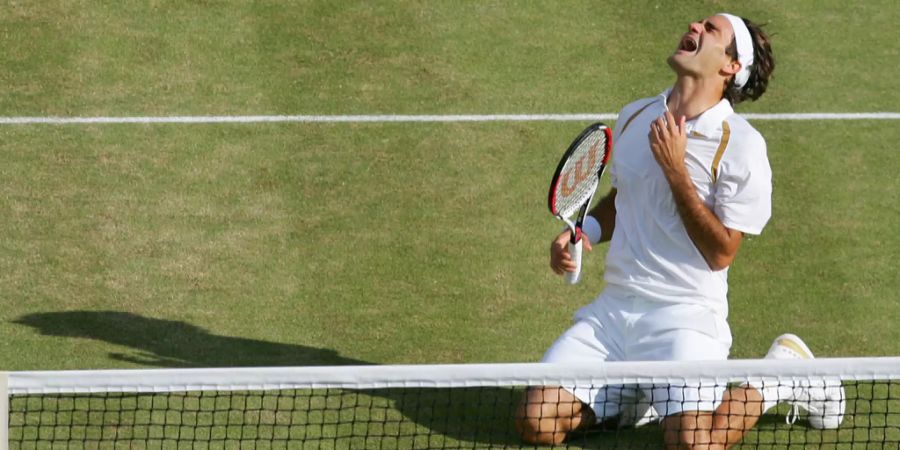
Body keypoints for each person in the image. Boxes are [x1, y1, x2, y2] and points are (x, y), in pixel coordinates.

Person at [515, 13, 844, 449]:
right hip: (613, 313)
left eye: (712, 30)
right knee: (535, 421)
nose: (695, 26)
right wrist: (587, 231)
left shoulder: (741, 145)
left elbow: (721, 252)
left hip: (684, 318)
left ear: (730, 67)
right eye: (700, 23)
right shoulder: (636, 116)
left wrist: (677, 171)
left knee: (694, 445)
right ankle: (635, 398)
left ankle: (779, 375)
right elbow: (627, 194)